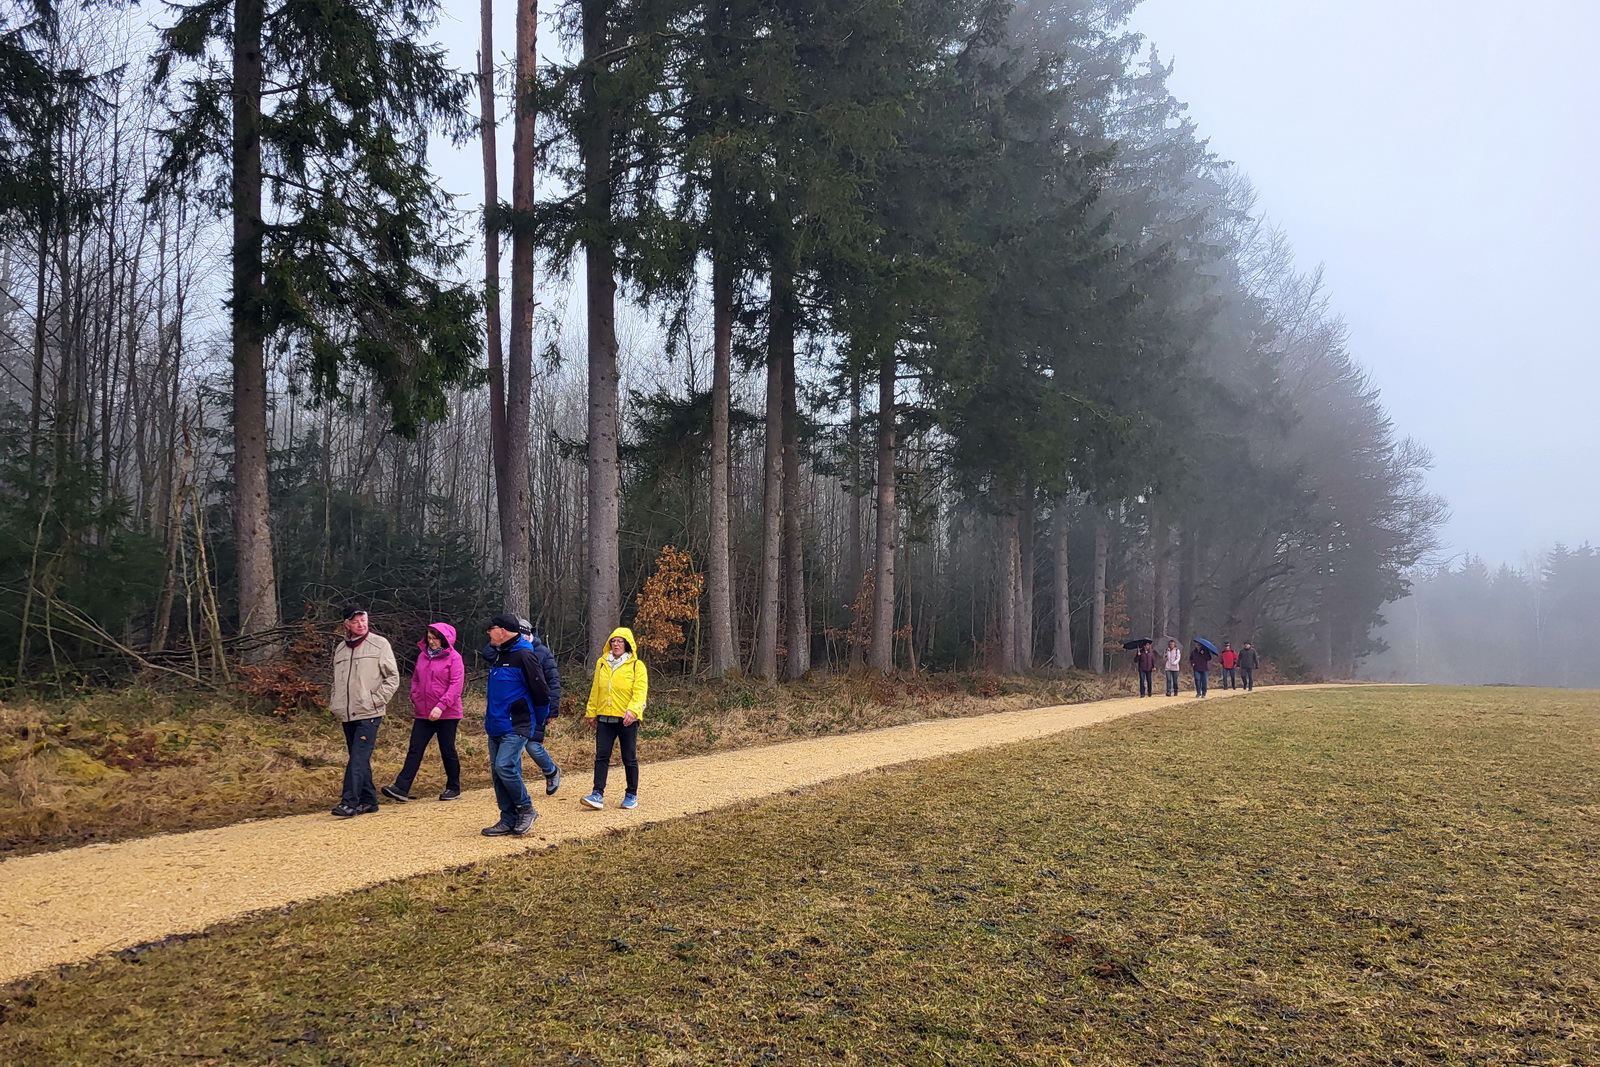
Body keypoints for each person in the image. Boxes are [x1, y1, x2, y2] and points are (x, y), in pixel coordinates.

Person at [481, 613, 552, 836]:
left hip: (517, 723)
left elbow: (541, 692)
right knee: (498, 772)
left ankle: (526, 809)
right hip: (495, 723)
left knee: (505, 766)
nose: (488, 634)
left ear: (502, 631)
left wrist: (538, 721)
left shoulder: (524, 656)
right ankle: (508, 818)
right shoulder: (498, 655)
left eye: (491, 629)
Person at [381, 623, 465, 804]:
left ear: (444, 639)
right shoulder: (422, 656)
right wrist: (415, 696)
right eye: (429, 638)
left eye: (435, 638)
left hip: (447, 713)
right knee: (415, 749)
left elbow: (455, 686)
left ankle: (453, 787)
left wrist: (441, 706)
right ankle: (401, 787)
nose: (432, 642)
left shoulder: (454, 658)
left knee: (447, 750)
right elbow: (416, 679)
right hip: (423, 712)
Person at [329, 606, 399, 818]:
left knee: (357, 758)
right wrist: (335, 702)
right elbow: (336, 681)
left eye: (363, 619)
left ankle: (349, 802)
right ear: (346, 624)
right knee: (357, 757)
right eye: (356, 621)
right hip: (346, 712)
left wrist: (376, 700)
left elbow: (392, 678)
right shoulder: (340, 648)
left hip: (369, 712)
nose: (361, 624)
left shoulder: (379, 644)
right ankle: (369, 801)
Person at [580, 627, 647, 811]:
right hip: (604, 718)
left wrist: (633, 711)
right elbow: (596, 689)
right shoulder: (602, 663)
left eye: (620, 641)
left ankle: (631, 794)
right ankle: (597, 794)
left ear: (627, 644)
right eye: (614, 641)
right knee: (601, 757)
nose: (616, 644)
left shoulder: (636, 665)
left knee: (629, 757)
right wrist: (591, 712)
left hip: (627, 719)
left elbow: (640, 692)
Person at [520, 617, 563, 794]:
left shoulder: (543, 653)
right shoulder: (509, 651)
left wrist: (552, 710)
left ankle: (551, 770)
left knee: (532, 745)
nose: (522, 638)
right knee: (513, 746)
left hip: (538, 707)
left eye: (524, 634)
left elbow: (553, 682)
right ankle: (514, 786)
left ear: (530, 634)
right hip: (516, 708)